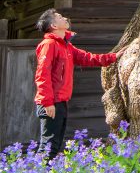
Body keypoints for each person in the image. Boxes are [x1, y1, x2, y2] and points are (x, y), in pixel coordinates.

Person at [34, 8, 118, 158]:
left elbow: (88, 58)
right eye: (59, 17)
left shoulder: (66, 46)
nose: (65, 18)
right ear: (53, 25)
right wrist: (47, 102)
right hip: (51, 103)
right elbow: (42, 74)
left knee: (55, 145)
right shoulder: (49, 44)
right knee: (48, 147)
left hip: (60, 102)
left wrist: (114, 57)